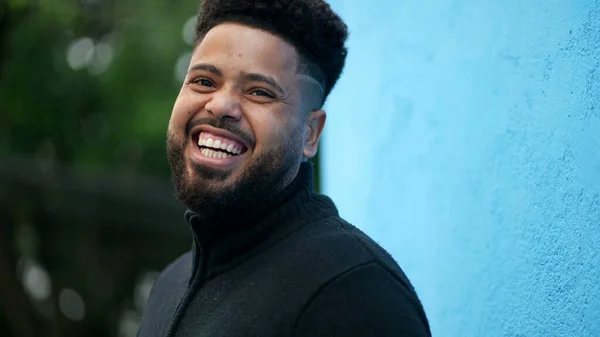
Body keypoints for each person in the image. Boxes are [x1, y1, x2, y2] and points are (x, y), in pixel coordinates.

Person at [137, 0, 431, 336]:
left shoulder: (353, 289)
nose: (220, 106)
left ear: (310, 133)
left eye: (259, 92)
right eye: (204, 81)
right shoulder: (171, 284)